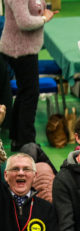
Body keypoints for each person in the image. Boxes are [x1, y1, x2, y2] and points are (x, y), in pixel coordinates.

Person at [1, 0, 56, 151]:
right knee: (30, 94)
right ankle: (26, 142)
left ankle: (18, 138)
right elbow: (24, 22)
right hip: (20, 50)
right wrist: (44, 18)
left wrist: (44, 13)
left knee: (25, 92)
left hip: (26, 48)